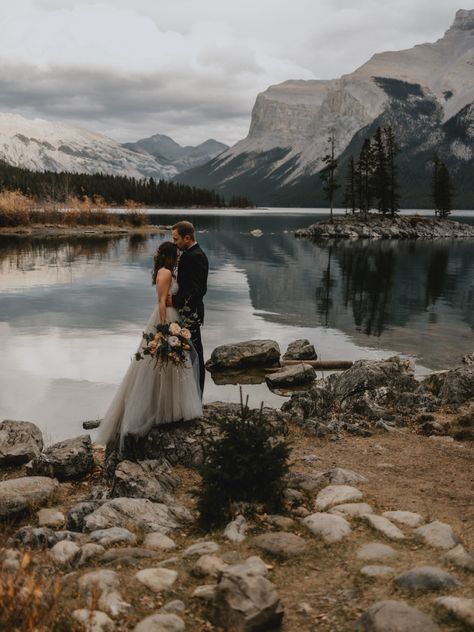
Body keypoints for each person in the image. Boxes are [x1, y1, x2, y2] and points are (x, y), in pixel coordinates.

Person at [97, 241, 202, 449]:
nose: (180, 258)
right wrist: (164, 328)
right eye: (177, 255)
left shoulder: (167, 272)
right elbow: (162, 301)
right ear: (171, 256)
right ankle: (160, 410)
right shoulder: (165, 273)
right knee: (160, 362)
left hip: (173, 318)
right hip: (165, 319)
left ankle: (172, 410)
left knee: (173, 363)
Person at [168, 221, 209, 394]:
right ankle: (188, 396)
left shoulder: (196, 256)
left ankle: (197, 397)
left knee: (195, 356)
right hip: (185, 312)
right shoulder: (188, 254)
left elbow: (199, 290)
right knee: (187, 353)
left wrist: (176, 301)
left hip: (191, 313)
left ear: (187, 237)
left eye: (176, 239)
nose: (174, 243)